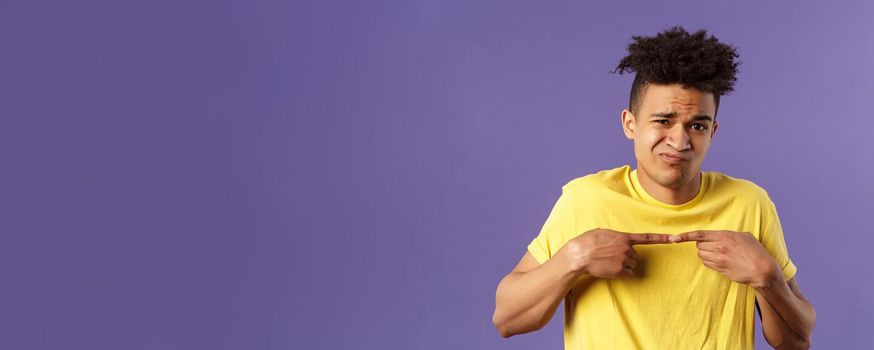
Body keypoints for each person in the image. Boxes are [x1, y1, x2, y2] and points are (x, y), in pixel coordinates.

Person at [491, 26, 816, 349]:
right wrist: (575, 258)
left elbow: (796, 340)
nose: (679, 141)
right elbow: (507, 319)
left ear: (713, 131)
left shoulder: (749, 204)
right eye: (663, 121)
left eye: (697, 125)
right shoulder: (585, 200)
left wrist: (768, 276)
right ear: (630, 124)